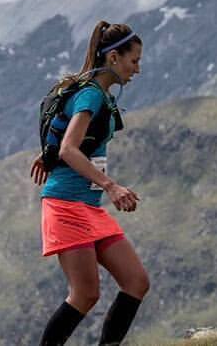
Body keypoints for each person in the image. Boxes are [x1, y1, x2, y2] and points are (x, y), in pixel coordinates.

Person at [31, 21, 149, 346]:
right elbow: (69, 147)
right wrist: (111, 186)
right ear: (113, 58)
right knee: (85, 295)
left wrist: (48, 155)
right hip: (66, 205)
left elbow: (69, 142)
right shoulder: (90, 96)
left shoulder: (96, 94)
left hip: (88, 208)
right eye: (134, 60)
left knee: (136, 281)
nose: (137, 69)